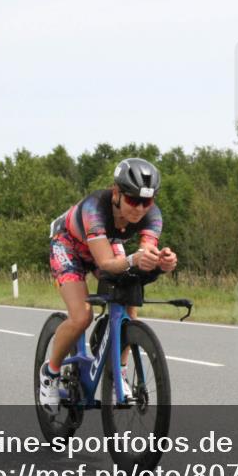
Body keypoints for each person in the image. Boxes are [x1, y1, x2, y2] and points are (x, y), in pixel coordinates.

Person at [40, 158, 178, 410]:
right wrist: (133, 259)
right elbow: (104, 262)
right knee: (81, 316)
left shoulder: (152, 215)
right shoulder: (95, 208)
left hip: (102, 243)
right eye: (133, 200)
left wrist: (161, 261)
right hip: (69, 244)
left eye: (146, 202)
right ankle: (50, 373)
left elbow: (146, 252)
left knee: (129, 302)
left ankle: (119, 374)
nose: (139, 208)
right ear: (116, 193)